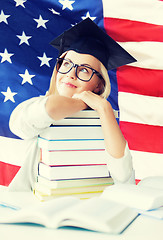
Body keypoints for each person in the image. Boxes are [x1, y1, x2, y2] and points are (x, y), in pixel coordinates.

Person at [8, 18, 136, 191]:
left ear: (99, 84)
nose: (70, 74)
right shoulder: (36, 105)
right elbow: (49, 109)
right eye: (66, 64)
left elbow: (123, 178)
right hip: (35, 204)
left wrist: (105, 109)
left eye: (84, 69)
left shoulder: (104, 119)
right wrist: (82, 102)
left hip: (87, 206)